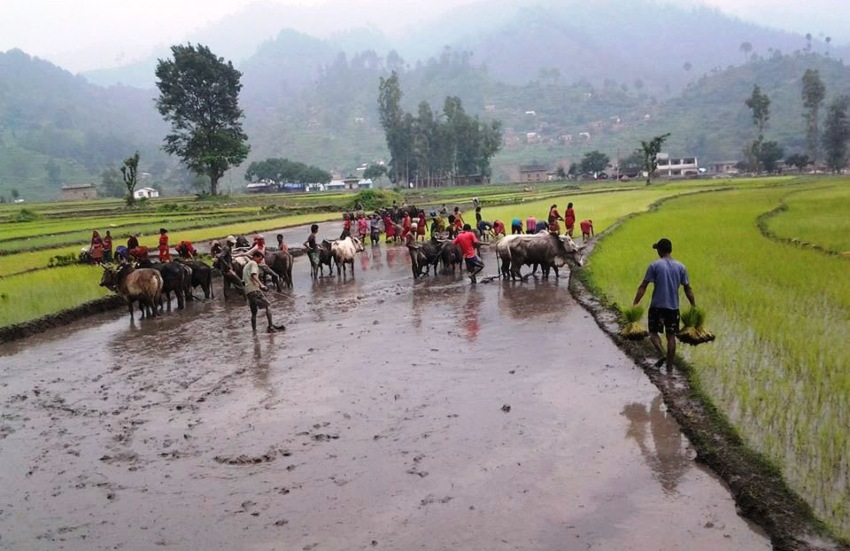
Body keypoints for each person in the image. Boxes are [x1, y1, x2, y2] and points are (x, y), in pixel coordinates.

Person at [632, 238, 696, 371]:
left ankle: (661, 353)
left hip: (657, 306)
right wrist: (693, 306)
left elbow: (643, 286)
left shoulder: (654, 265)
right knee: (671, 336)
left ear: (660, 251)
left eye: (657, 250)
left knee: (653, 332)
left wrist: (635, 303)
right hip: (673, 308)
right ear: (670, 250)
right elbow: (688, 288)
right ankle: (670, 367)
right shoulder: (681, 267)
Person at [243, 250, 284, 333]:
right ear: (255, 257)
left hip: (248, 291)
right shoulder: (253, 264)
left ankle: (254, 331)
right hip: (254, 290)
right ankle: (270, 326)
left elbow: (245, 280)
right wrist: (261, 285)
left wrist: (259, 286)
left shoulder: (246, 266)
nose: (260, 261)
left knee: (254, 312)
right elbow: (253, 275)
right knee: (268, 306)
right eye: (259, 259)